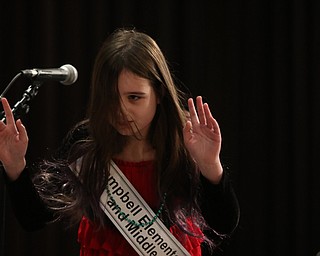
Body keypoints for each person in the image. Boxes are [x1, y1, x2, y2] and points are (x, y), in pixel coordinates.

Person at [0, 28, 239, 256]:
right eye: (111, 98)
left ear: (159, 93)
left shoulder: (187, 141)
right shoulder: (86, 142)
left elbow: (224, 224)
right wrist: (15, 167)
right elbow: (34, 218)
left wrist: (210, 167)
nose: (121, 110)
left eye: (134, 97)